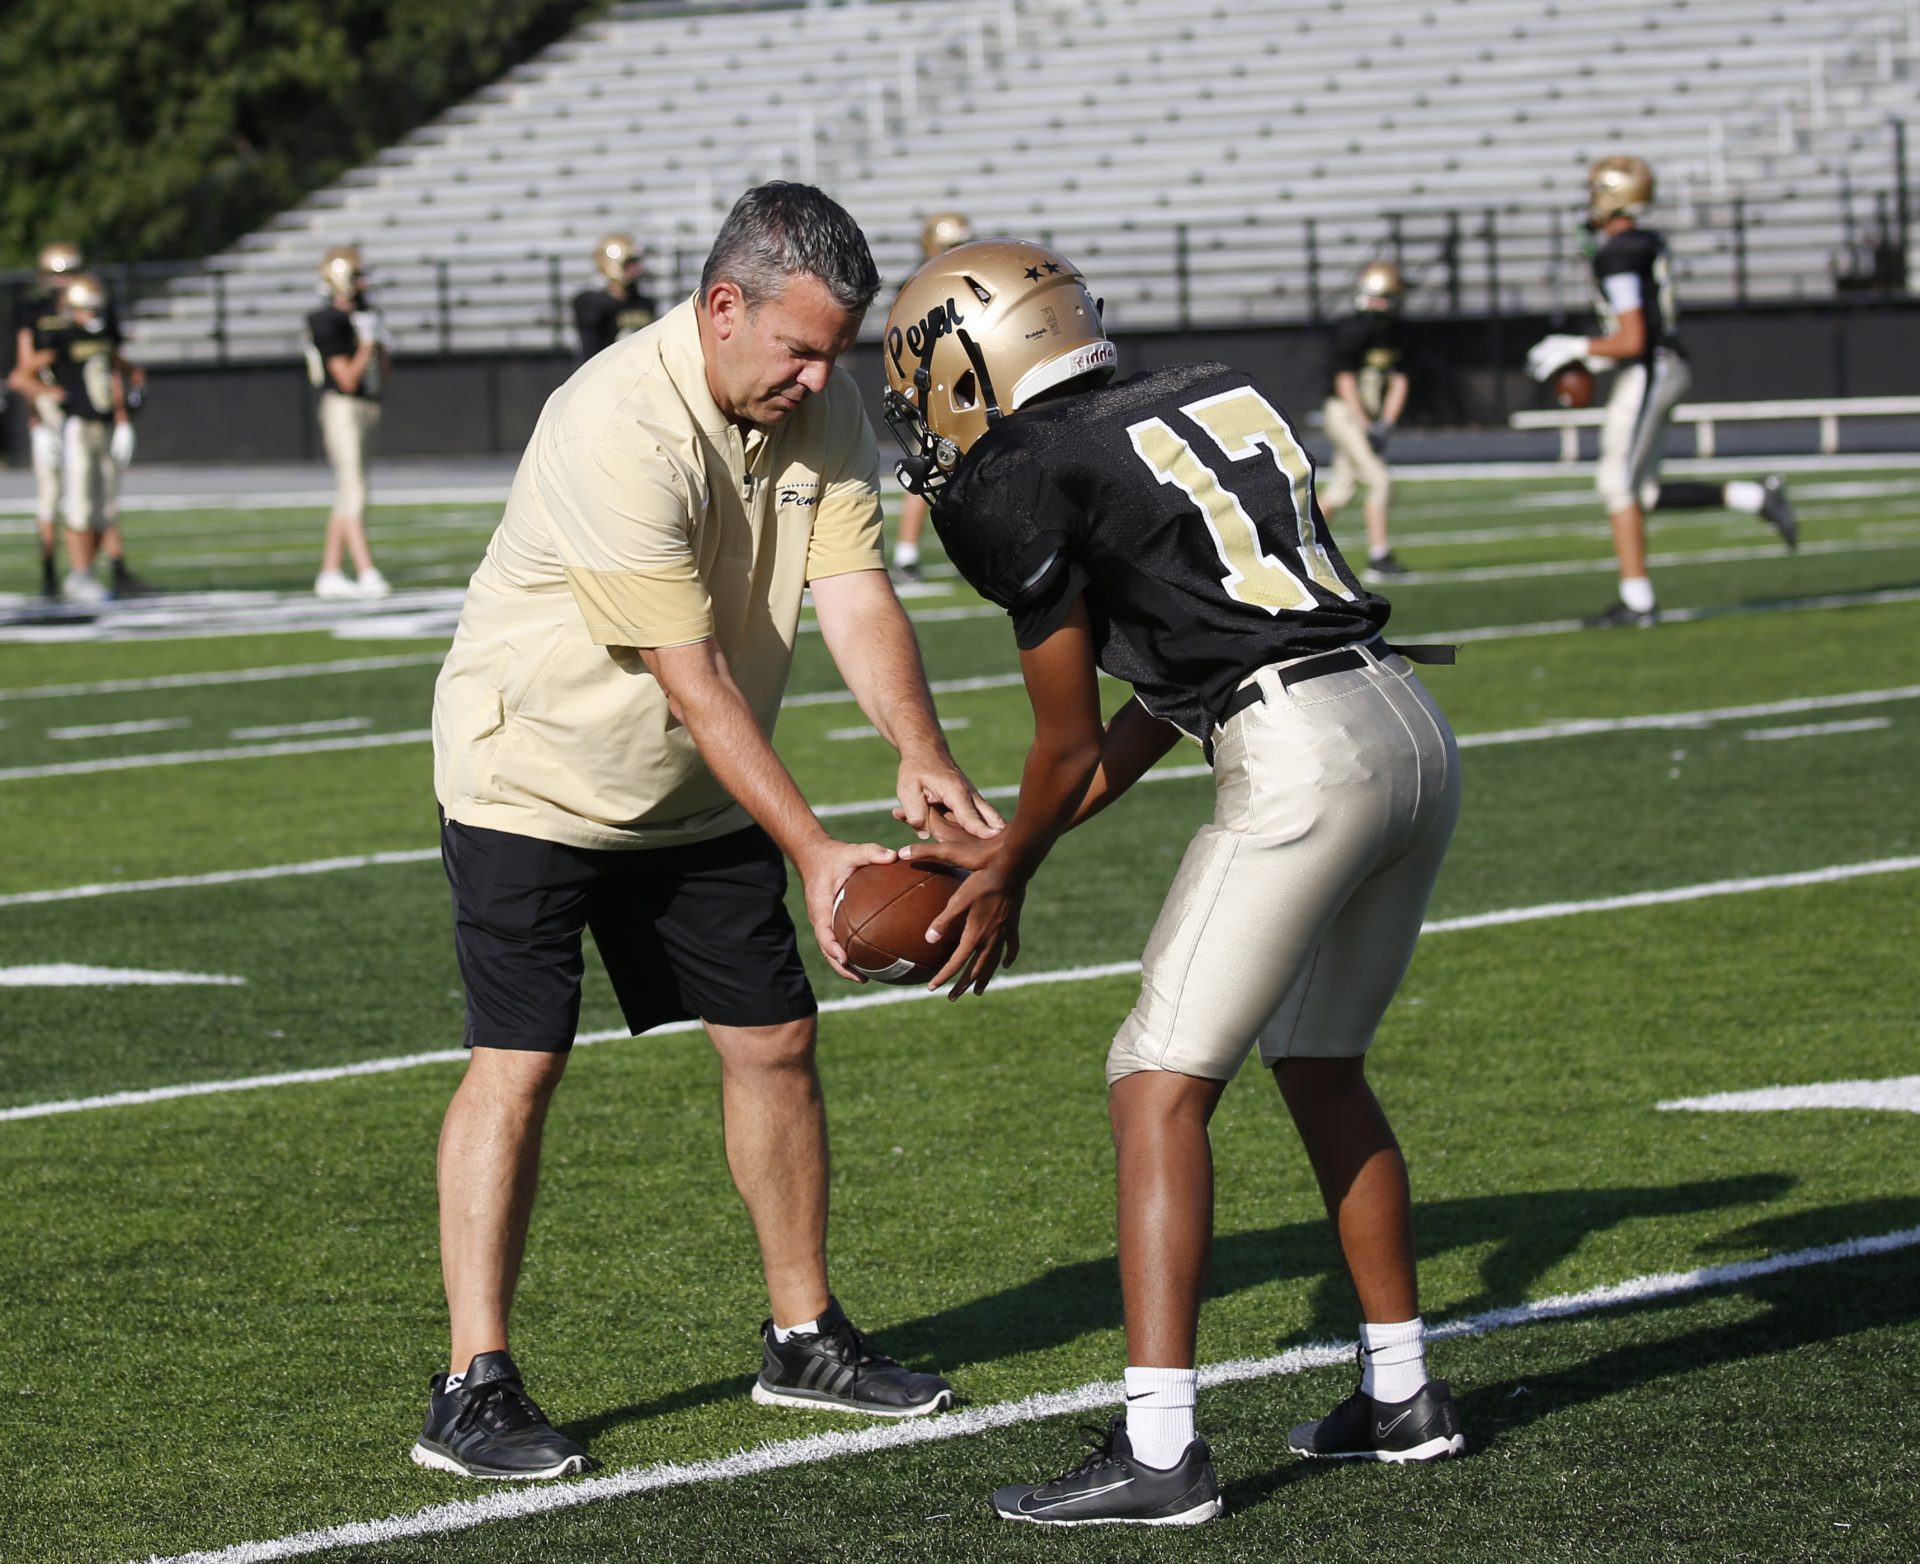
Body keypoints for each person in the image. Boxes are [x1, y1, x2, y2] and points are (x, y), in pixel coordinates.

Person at [421, 182, 1000, 1480]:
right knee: (520, 1060)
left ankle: (802, 1335)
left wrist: (922, 750)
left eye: (832, 353)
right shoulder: (616, 422)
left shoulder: (824, 402)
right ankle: (472, 1382)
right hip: (537, 775)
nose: (816, 378)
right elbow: (688, 670)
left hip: (694, 783)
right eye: (796, 349)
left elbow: (852, 593)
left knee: (775, 1038)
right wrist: (814, 849)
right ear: (721, 308)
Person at [882, 240, 1465, 1528]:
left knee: (1154, 1083)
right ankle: (1403, 1391)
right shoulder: (1193, 392)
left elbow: (1066, 742)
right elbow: (1163, 698)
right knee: (1318, 1062)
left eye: (924, 379)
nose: (921, 413)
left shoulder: (1019, 473)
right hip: (1406, 728)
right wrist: (1012, 852)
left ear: (976, 368)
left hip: (1303, 756)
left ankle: (1160, 1453)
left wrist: (1009, 870)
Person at [1526, 156, 1798, 628]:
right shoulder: (1640, 243)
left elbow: (1632, 339)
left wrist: (1576, 344)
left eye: (1597, 191)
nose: (1591, 201)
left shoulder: (1619, 251)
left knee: (1617, 485)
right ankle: (1756, 498)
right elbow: (1638, 333)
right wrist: (1592, 355)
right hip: (1658, 365)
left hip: (1651, 369)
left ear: (1615, 196)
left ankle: (1639, 603)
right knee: (1641, 491)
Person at [37, 274, 138, 605]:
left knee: (103, 509)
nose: (93, 313)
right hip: (78, 425)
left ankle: (85, 572)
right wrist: (49, 403)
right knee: (79, 506)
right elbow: (25, 373)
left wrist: (123, 419)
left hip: (106, 425)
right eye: (87, 307)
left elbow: (118, 371)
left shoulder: (106, 333)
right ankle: (80, 573)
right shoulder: (61, 337)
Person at [887, 211, 973, 585]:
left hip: (960, 382)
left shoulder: (957, 278)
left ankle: (969, 547)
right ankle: (906, 555)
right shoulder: (920, 285)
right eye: (951, 245)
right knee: (928, 467)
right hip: (930, 386)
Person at [305, 245, 391, 599]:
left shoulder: (363, 316)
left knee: (347, 492)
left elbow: (382, 375)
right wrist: (368, 343)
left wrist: (380, 343)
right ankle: (366, 570)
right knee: (355, 490)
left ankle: (329, 572)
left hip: (366, 407)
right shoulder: (326, 321)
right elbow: (347, 379)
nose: (364, 282)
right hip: (342, 407)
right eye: (356, 276)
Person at [1319, 260, 1411, 580]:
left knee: (1341, 490)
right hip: (1345, 412)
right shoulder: (1350, 330)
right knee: (1380, 480)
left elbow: (1400, 380)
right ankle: (1379, 556)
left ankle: (1297, 549)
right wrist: (1365, 423)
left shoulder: (1398, 332)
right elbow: (1345, 382)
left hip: (1368, 415)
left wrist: (1386, 421)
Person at [10, 243, 86, 599]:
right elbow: (22, 372)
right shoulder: (33, 313)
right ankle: (50, 573)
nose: (63, 282)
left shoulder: (86, 308)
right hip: (51, 411)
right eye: (57, 275)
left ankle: (88, 570)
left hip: (84, 412)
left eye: (69, 273)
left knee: (88, 495)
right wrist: (39, 398)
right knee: (52, 496)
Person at [572, 233, 658, 359]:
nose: (637, 270)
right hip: (604, 372)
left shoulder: (644, 303)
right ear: (613, 265)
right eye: (630, 264)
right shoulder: (591, 303)